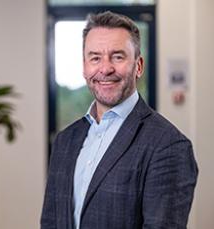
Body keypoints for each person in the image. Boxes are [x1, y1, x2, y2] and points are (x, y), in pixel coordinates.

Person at [40, 11, 198, 229]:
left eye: (118, 56)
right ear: (85, 67)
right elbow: (50, 222)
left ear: (139, 66)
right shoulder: (65, 141)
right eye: (95, 57)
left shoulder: (168, 146)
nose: (105, 68)